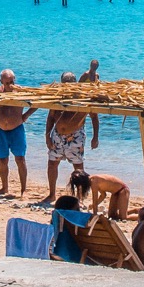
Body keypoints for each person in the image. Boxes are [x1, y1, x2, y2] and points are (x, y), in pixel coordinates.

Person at [43, 72, 89, 201]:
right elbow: (50, 117)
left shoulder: (82, 98)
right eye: (65, 83)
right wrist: (47, 135)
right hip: (57, 136)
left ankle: (80, 197)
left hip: (76, 136)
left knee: (78, 167)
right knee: (52, 163)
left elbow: (94, 116)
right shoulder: (58, 96)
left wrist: (95, 136)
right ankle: (52, 194)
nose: (67, 86)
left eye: (70, 83)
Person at [0, 69, 31, 198]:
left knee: (20, 159)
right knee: (2, 160)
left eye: (11, 82)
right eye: (6, 83)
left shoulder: (20, 92)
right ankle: (4, 187)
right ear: (1, 82)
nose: (9, 85)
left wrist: (25, 116)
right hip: (1, 129)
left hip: (16, 128)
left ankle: (23, 189)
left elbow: (37, 102)